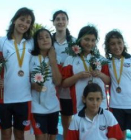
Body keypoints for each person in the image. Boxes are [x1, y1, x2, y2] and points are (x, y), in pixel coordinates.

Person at [0, 7, 35, 140]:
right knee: (6, 135)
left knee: (20, 135)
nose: (24, 24)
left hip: (24, 97)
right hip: (4, 97)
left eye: (28, 22)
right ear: (14, 20)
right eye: (22, 19)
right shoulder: (1, 42)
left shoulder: (31, 43)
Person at [62, 25, 110, 114]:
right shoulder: (70, 59)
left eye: (93, 40)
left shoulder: (101, 59)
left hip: (100, 103)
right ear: (80, 39)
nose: (89, 43)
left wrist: (100, 74)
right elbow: (64, 84)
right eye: (86, 39)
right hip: (80, 103)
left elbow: (108, 81)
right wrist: (78, 76)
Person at [104, 30, 131, 140]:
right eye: (112, 44)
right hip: (116, 105)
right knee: (120, 135)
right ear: (108, 46)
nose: (117, 46)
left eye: (119, 42)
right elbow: (106, 81)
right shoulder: (107, 63)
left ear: (124, 44)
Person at [30, 28, 62, 140]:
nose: (45, 40)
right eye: (40, 38)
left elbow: (58, 81)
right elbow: (24, 81)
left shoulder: (54, 58)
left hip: (53, 106)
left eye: (47, 37)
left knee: (52, 138)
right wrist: (33, 85)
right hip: (37, 107)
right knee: (41, 138)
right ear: (36, 42)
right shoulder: (31, 58)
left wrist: (52, 61)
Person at [51, 10, 75, 139]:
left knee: (66, 124)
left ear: (67, 21)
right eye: (57, 19)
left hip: (66, 92)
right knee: (52, 126)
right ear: (53, 22)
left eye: (63, 18)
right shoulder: (47, 40)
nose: (60, 21)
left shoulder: (75, 43)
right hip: (50, 90)